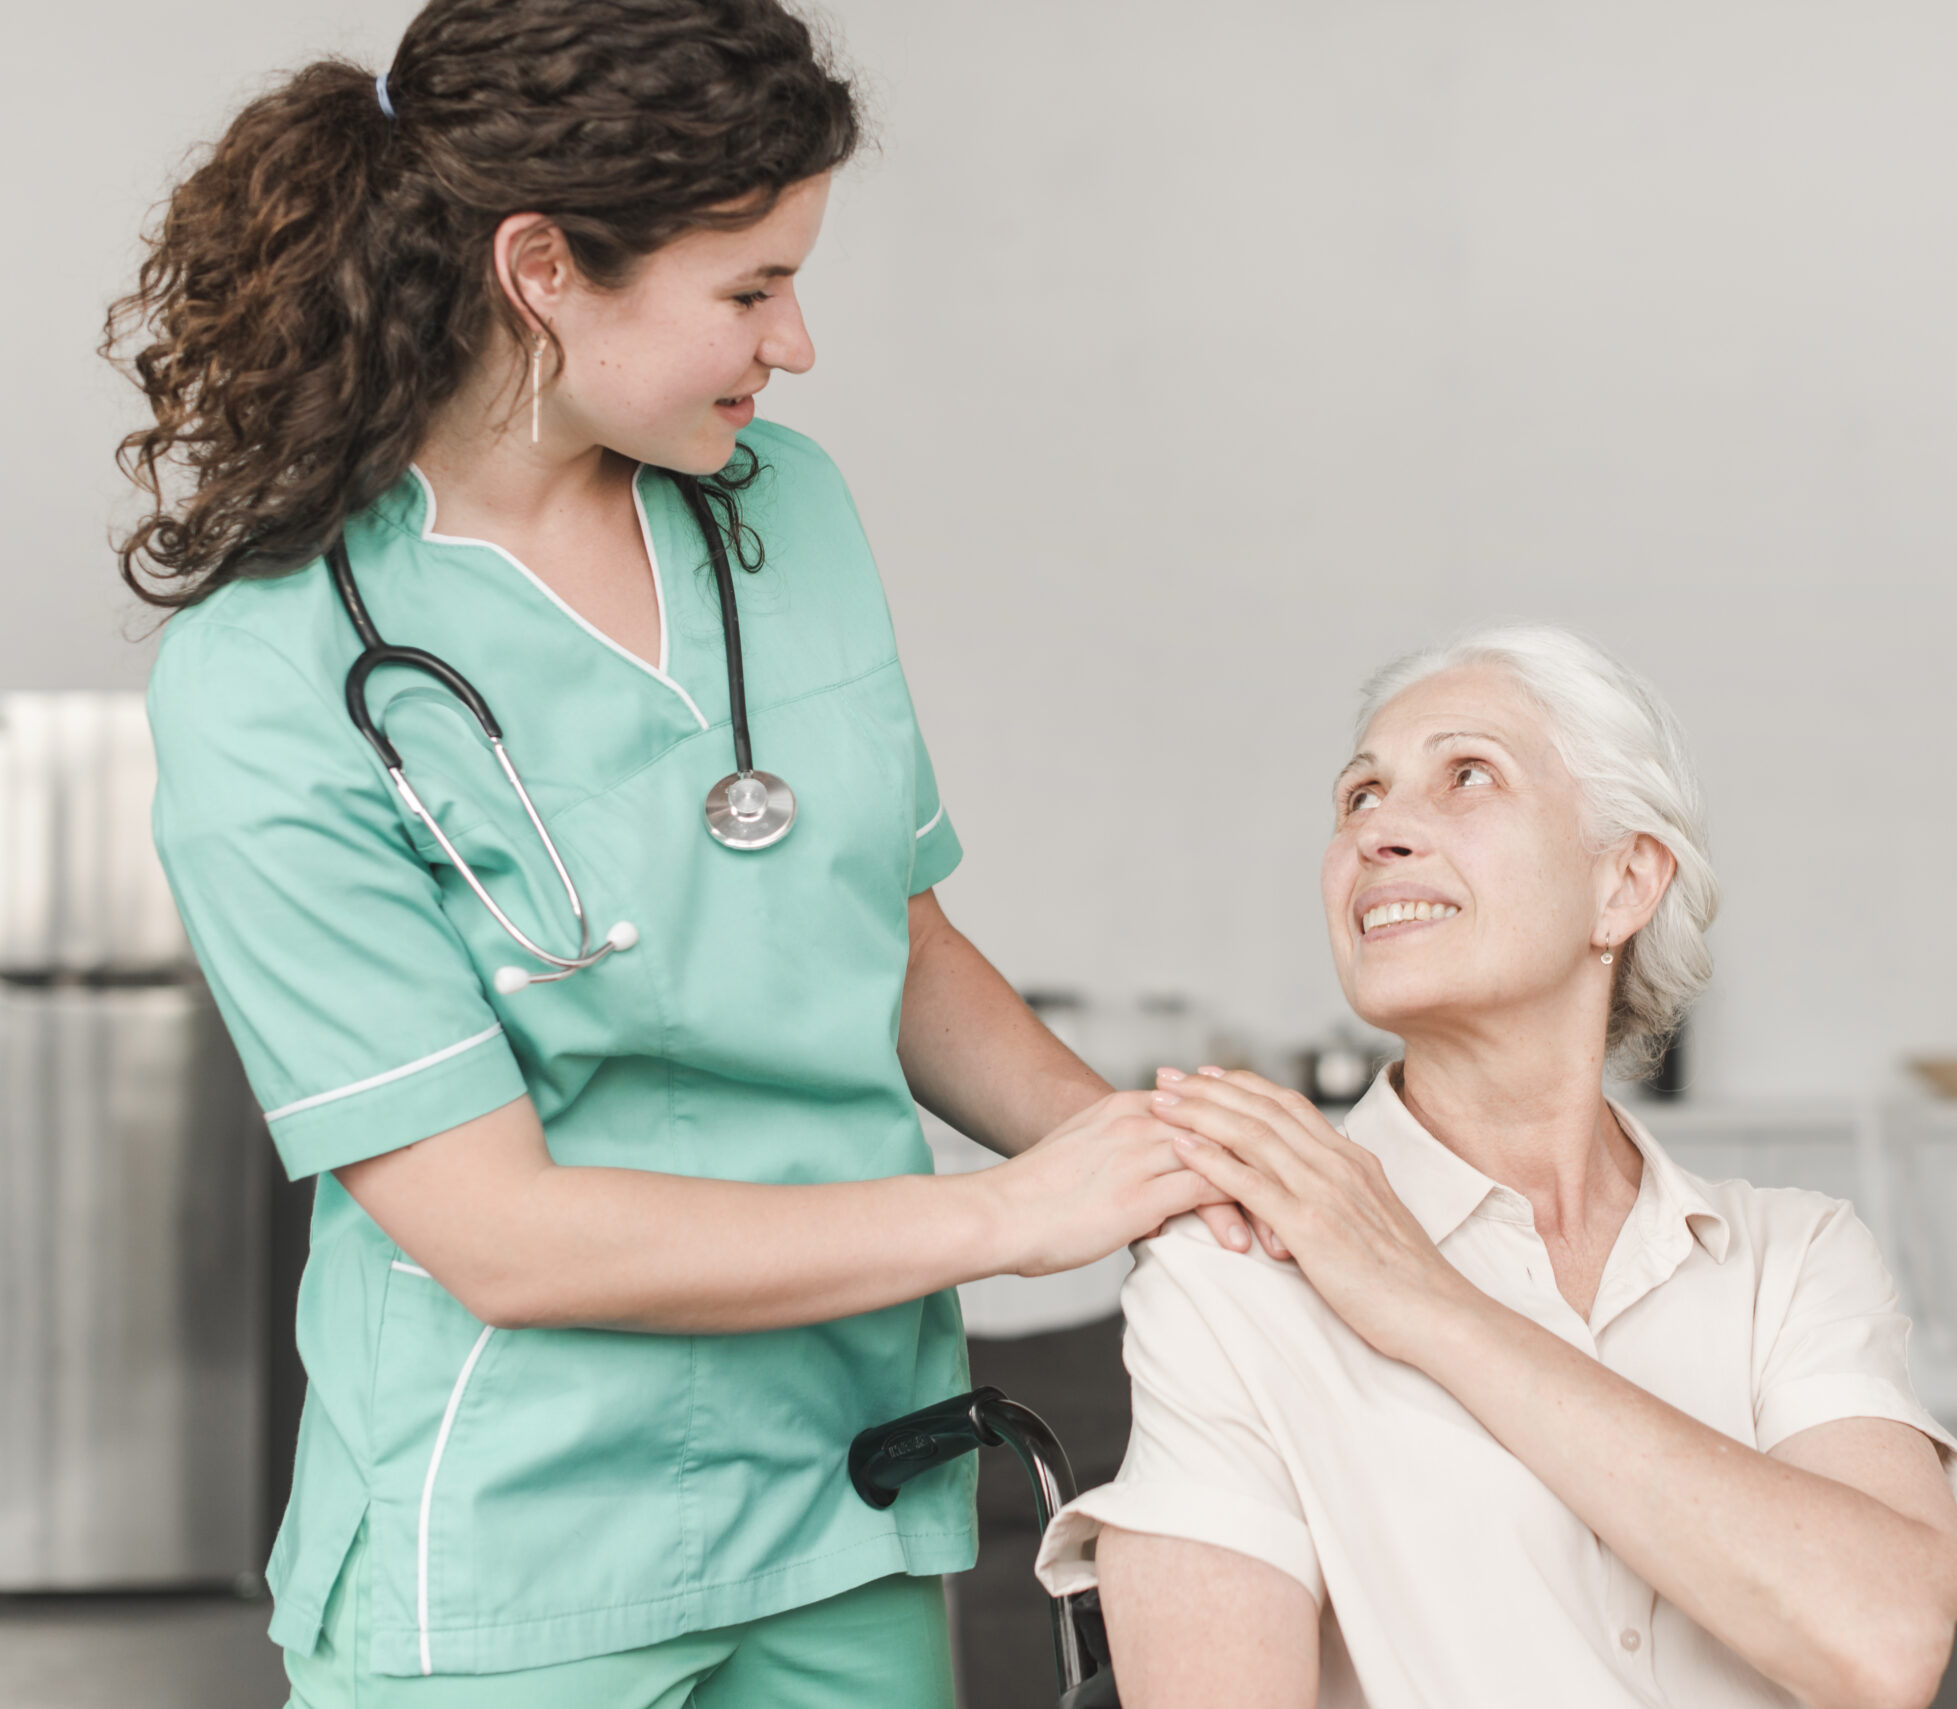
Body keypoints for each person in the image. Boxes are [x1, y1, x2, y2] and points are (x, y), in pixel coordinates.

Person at [111, 2, 1257, 1702]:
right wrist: (1014, 1215)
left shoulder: (787, 511)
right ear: (543, 270)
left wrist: (1151, 1166)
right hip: (512, 1547)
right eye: (748, 288)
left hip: (844, 1486)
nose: (795, 343)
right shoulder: (277, 678)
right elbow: (501, 1231)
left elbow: (893, 936)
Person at [1036, 627, 1957, 1709]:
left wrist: (1431, 1306)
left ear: (1624, 882)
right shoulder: (1232, 1273)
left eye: (1468, 773)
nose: (1379, 827)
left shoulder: (1792, 1257)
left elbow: (1888, 1640)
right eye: (1358, 796)